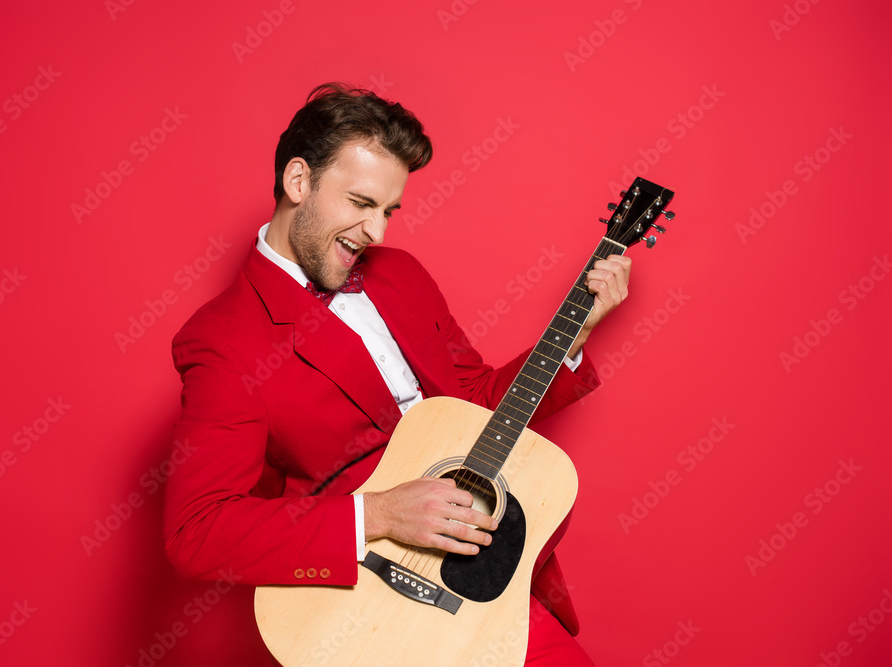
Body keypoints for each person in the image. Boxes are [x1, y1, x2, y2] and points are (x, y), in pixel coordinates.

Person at [164, 82, 631, 665]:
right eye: (361, 204)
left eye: (389, 211)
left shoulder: (400, 275)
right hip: (366, 599)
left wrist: (570, 340)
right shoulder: (225, 338)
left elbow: (473, 402)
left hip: (479, 576)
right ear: (298, 182)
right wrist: (380, 512)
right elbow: (198, 533)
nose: (377, 233)